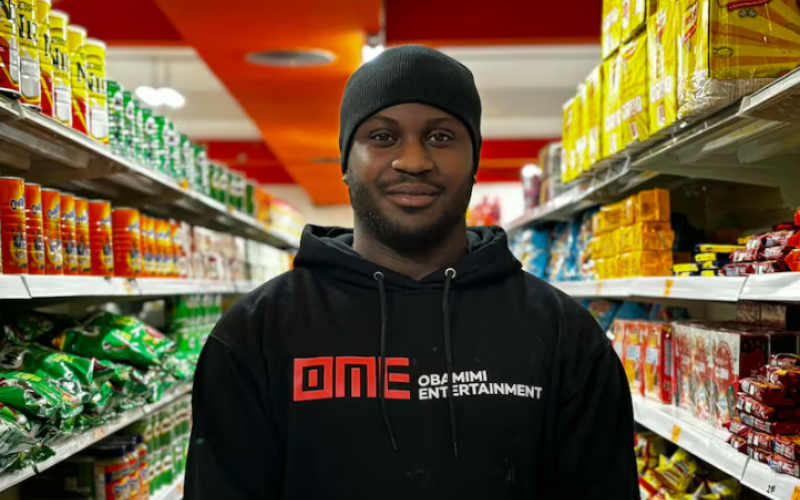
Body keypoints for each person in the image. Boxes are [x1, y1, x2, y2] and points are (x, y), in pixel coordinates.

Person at [185, 45, 637, 500]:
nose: (413, 161)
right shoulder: (255, 334)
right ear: (346, 160)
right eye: (383, 137)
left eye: (440, 136)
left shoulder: (564, 334)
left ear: (474, 160)